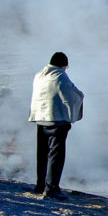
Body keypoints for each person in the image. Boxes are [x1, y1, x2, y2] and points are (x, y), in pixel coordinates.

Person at [28, 52, 84, 200]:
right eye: (66, 67)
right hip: (56, 120)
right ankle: (52, 188)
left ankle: (40, 185)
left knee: (42, 154)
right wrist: (71, 116)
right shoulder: (60, 76)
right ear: (63, 65)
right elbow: (70, 96)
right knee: (56, 155)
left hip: (40, 118)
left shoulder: (39, 75)